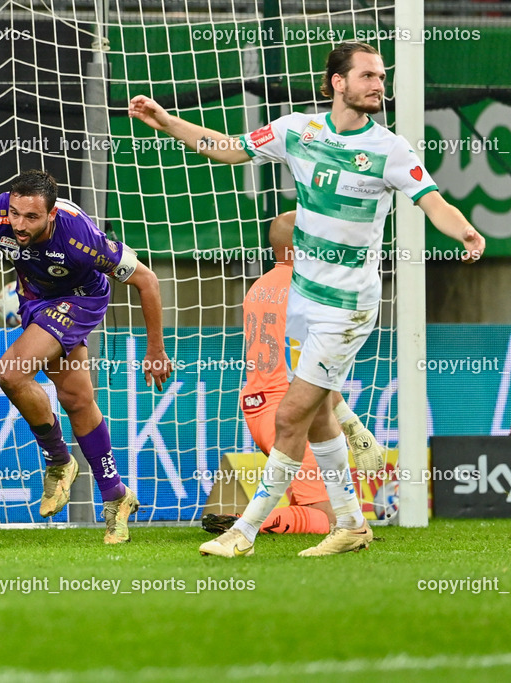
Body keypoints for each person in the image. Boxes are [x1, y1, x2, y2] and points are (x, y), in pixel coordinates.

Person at [130, 42, 485, 556]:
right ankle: (351, 524)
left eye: (381, 76)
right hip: (304, 299)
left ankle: (243, 532)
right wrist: (166, 121)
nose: (378, 84)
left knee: (291, 415)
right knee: (318, 415)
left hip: (349, 307)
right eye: (367, 76)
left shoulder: (390, 149)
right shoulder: (296, 130)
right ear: (337, 83)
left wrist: (466, 233)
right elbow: (226, 147)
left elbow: (432, 200)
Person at [0, 170, 172, 544]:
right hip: (35, 300)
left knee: (10, 373)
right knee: (76, 399)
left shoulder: (81, 236)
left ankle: (58, 460)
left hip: (82, 298)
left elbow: (148, 281)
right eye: (15, 214)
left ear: (51, 215)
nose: (19, 225)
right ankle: (117, 497)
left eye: (32, 217)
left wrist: (155, 349)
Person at [202, 211, 388, 537]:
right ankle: (249, 522)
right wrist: (352, 426)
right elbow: (313, 373)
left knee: (314, 501)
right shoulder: (307, 292)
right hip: (289, 409)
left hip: (255, 404)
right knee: (334, 520)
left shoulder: (259, 287)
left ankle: (253, 519)